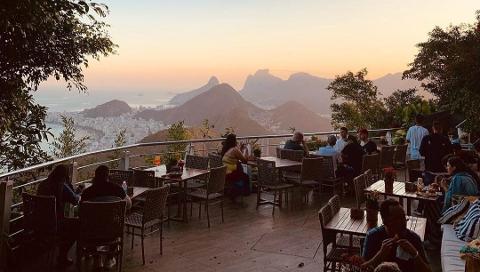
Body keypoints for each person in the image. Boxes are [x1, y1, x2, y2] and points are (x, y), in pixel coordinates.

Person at [362, 199, 431, 272]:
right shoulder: (373, 236)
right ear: (385, 221)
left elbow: (428, 270)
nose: (403, 222)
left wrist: (415, 254)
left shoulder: (413, 238)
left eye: (404, 217)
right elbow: (362, 269)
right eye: (397, 218)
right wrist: (380, 255)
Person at [37, 164, 80, 267]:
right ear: (64, 175)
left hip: (38, 222)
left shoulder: (43, 184)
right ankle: (62, 255)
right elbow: (75, 200)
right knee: (78, 224)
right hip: (55, 224)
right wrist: (77, 191)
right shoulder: (61, 185)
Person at [221, 134, 250, 201]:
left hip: (224, 173)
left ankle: (234, 192)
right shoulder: (234, 150)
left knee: (241, 171)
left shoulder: (226, 149)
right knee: (246, 177)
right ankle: (239, 193)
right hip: (230, 174)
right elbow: (244, 160)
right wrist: (245, 151)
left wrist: (240, 149)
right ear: (234, 141)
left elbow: (236, 156)